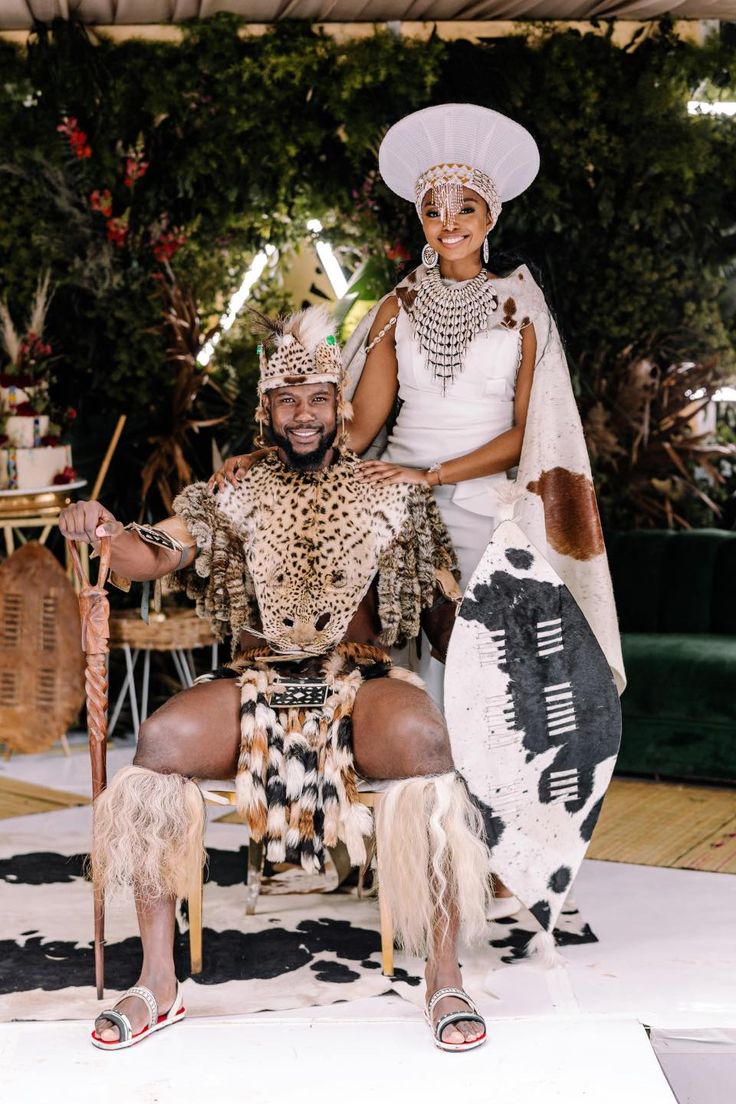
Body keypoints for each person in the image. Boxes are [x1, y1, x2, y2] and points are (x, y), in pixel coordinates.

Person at [59, 305, 494, 1054]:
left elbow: (443, 613)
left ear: (341, 406)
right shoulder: (232, 493)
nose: (303, 415)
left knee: (427, 745)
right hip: (258, 676)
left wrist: (496, 619)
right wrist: (105, 530)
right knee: (160, 741)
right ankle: (157, 982)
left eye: (317, 399)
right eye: (286, 401)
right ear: (266, 410)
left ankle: (445, 976)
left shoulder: (393, 493)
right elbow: (156, 551)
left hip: (360, 681)